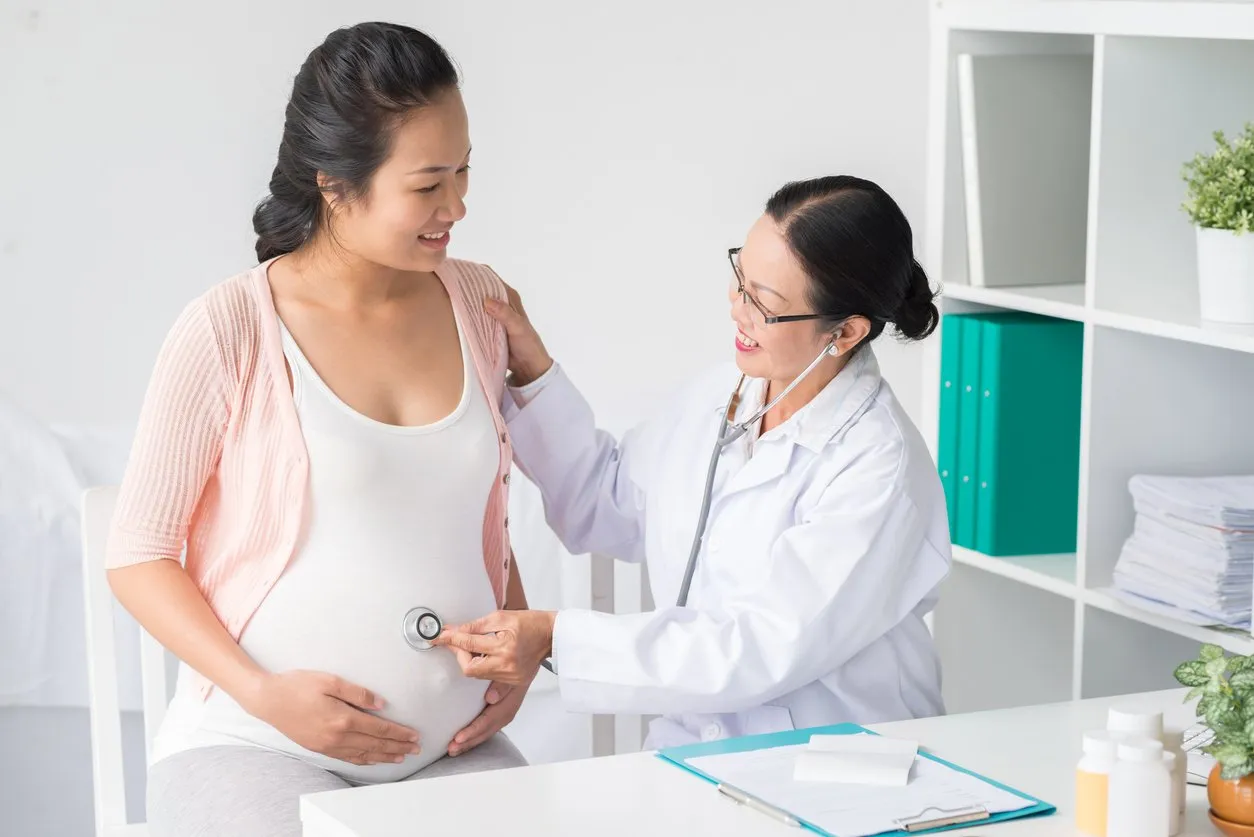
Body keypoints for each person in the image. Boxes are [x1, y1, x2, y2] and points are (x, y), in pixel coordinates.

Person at [106, 23, 531, 837]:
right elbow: (137, 554)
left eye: (465, 169)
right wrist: (264, 694)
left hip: (454, 746)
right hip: (254, 743)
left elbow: (476, 507)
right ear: (335, 184)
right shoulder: (229, 326)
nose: (458, 205)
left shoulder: (479, 302)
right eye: (428, 183)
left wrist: (517, 646)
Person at [435, 175, 952, 749]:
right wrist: (532, 371)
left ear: (846, 332)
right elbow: (607, 503)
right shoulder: (726, 394)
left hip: (835, 761)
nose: (737, 309)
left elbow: (757, 647)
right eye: (740, 281)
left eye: (766, 303)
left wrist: (557, 637)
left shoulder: (878, 467)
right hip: (700, 749)